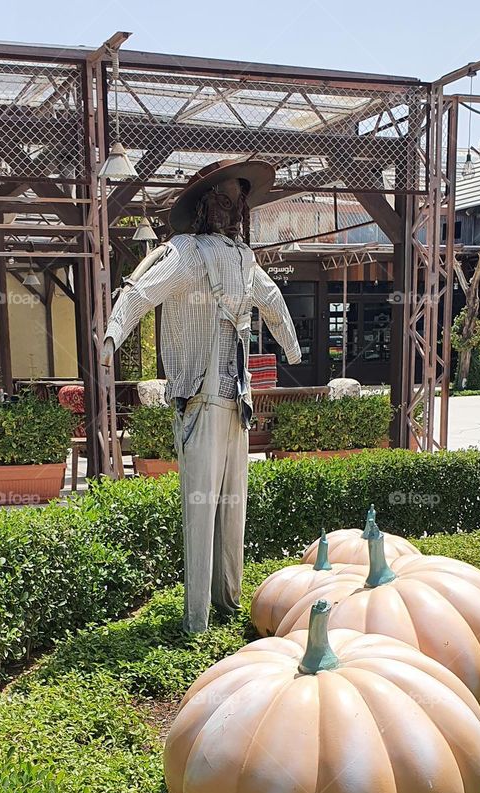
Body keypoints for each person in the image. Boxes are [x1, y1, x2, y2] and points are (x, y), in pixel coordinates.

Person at [102, 157, 301, 633]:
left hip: (238, 403)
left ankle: (229, 601)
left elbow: (272, 301)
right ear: (207, 204)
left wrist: (291, 348)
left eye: (241, 201)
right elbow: (138, 293)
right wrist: (111, 338)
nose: (235, 210)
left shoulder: (244, 259)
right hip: (199, 400)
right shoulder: (186, 253)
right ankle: (196, 622)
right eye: (227, 199)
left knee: (234, 510)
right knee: (200, 508)